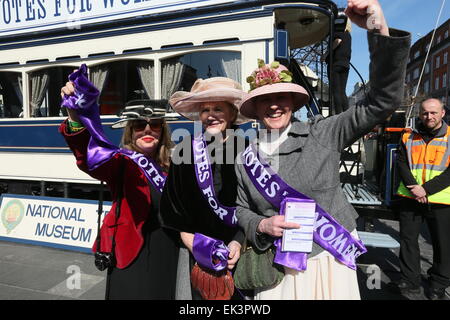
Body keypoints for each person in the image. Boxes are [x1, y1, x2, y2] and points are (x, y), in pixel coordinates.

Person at [233, 0, 410, 300]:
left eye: (282, 96)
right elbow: (240, 209)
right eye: (265, 99)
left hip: (329, 257)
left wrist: (379, 28)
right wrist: (262, 224)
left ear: (292, 102)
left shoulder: (323, 132)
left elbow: (383, 100)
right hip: (278, 266)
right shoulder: (244, 157)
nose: (274, 104)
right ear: (256, 107)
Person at [59, 65, 179, 300]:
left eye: (154, 125)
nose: (147, 130)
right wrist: (75, 117)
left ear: (162, 131)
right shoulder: (119, 162)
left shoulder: (174, 164)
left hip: (169, 249)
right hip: (129, 249)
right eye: (138, 125)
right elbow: (87, 157)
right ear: (130, 131)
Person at [159, 77, 248, 300]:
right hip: (196, 253)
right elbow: (173, 209)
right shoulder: (185, 149)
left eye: (218, 108)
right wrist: (199, 248)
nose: (210, 115)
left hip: (239, 251)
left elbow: (255, 204)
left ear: (232, 113)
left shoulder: (247, 149)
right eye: (205, 109)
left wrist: (238, 241)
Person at [393, 98, 450, 300]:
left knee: (443, 244)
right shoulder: (408, 136)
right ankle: (410, 281)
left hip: (441, 200)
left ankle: (438, 284)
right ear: (420, 114)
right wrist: (414, 189)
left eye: (434, 112)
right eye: (425, 113)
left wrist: (425, 190)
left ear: (442, 113)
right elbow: (400, 163)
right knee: (408, 241)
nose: (429, 116)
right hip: (410, 196)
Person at [324, 16, 352, 115]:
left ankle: (339, 115)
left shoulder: (335, 33)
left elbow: (337, 41)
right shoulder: (348, 35)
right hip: (345, 65)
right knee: (342, 92)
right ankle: (346, 114)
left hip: (335, 64)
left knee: (335, 91)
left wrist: (326, 54)